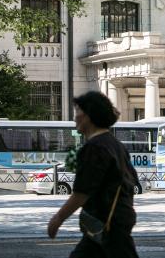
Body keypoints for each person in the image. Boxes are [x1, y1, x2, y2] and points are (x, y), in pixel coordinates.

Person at [47, 91, 140, 258]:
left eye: (78, 112)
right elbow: (131, 181)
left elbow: (82, 192)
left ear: (88, 116)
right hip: (113, 221)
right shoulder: (116, 145)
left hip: (106, 223)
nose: (75, 117)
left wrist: (58, 218)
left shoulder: (94, 148)